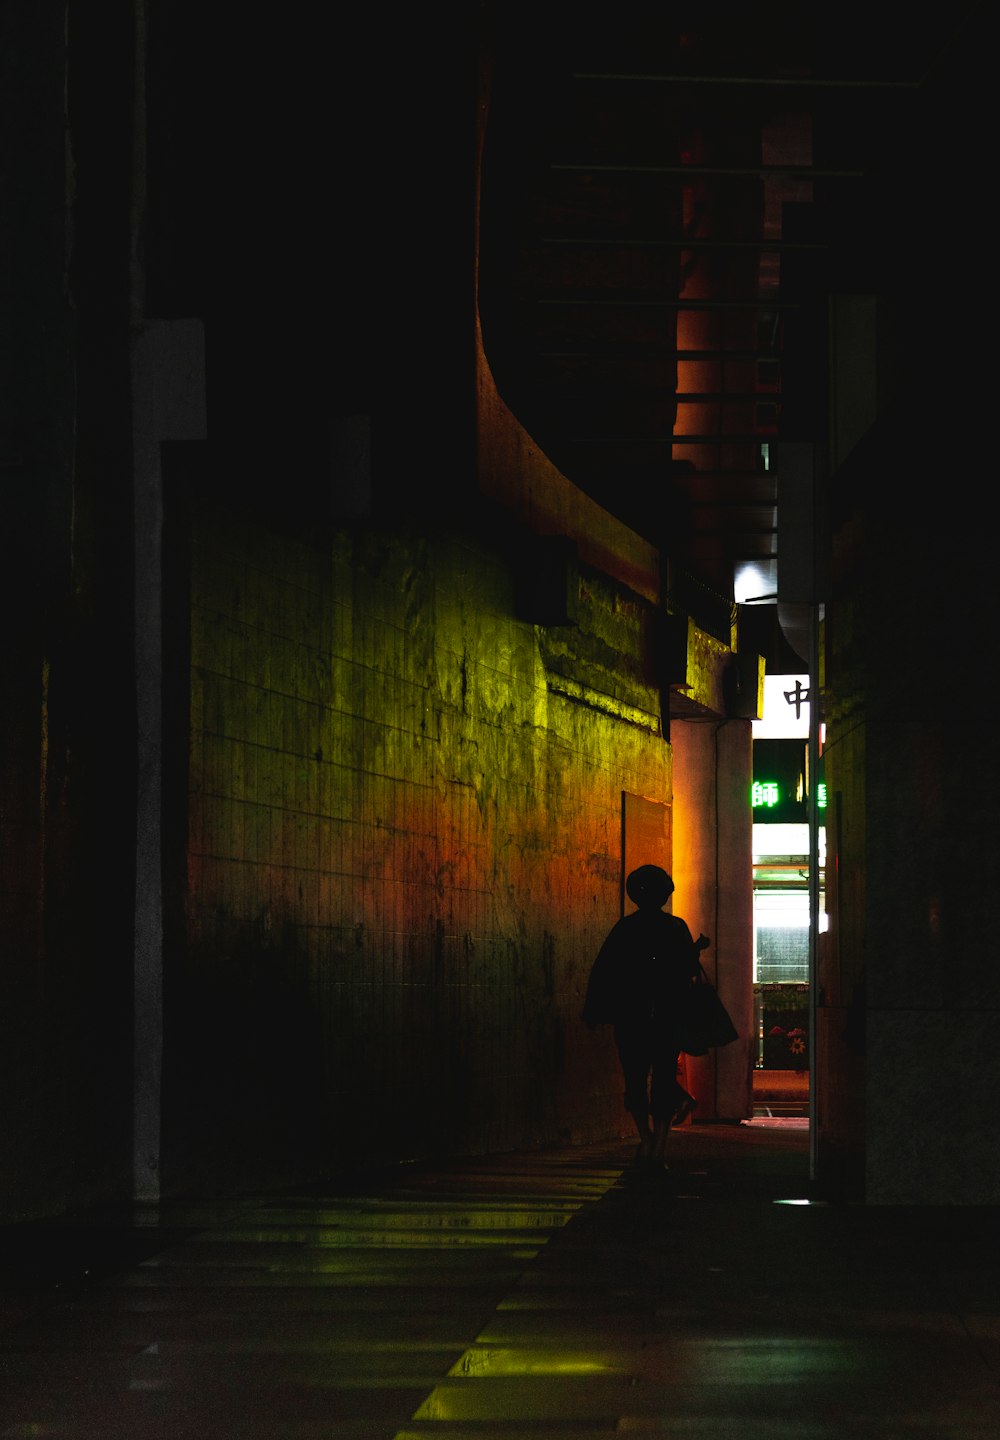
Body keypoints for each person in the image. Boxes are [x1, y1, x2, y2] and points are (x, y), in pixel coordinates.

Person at [582, 864, 708, 1173]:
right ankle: (659, 1147)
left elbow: (604, 970)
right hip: (666, 1017)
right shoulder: (676, 927)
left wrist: (594, 1010)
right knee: (664, 1079)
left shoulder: (625, 929)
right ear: (665, 894)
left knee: (635, 1079)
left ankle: (646, 1137)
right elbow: (687, 969)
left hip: (631, 1017)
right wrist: (695, 951)